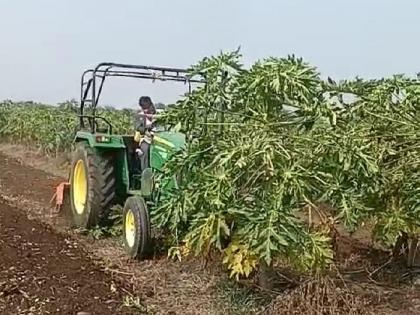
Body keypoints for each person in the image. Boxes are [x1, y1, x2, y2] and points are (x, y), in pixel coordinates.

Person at [134, 96, 156, 172]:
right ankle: (145, 172)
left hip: (159, 139)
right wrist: (147, 127)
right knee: (145, 150)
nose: (146, 110)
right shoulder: (140, 116)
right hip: (146, 139)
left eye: (147, 108)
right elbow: (138, 128)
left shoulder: (158, 114)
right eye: (144, 108)